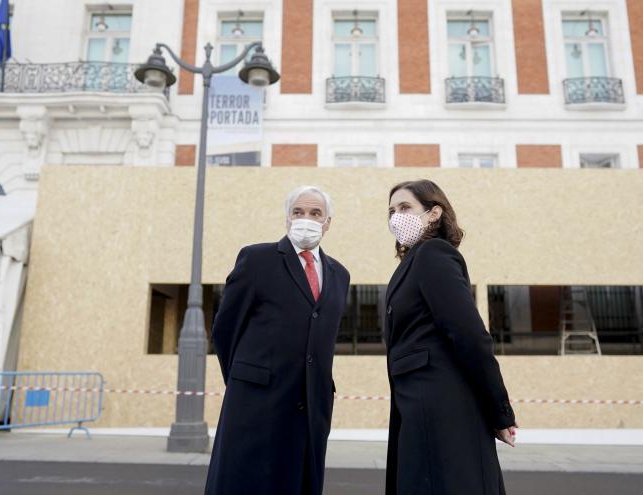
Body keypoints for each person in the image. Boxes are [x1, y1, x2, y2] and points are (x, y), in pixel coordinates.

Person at [205, 186, 351, 495]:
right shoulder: (257, 259)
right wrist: (247, 380)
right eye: (298, 212)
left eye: (315, 213)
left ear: (328, 223)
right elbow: (225, 328)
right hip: (257, 404)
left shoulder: (340, 274)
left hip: (311, 406)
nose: (306, 219)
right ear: (287, 218)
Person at [383, 179, 517, 495]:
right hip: (419, 406)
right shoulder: (412, 263)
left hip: (443, 408)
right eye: (390, 211)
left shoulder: (433, 254)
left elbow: (469, 334)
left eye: (404, 207)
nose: (395, 217)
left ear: (434, 213)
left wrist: (500, 411)